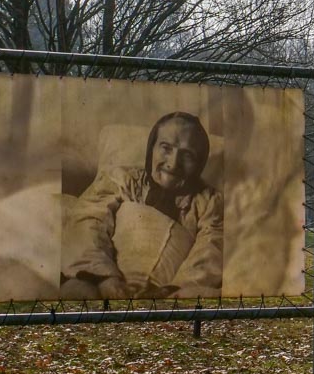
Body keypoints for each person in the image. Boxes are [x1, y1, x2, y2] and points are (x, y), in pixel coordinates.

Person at [61, 111, 223, 299]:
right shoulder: (121, 179)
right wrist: (106, 279)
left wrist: (167, 291)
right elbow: (88, 220)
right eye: (166, 147)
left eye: (187, 155)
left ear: (199, 164)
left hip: (165, 292)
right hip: (103, 277)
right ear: (151, 149)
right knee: (76, 292)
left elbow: (210, 251)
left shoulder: (209, 202)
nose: (173, 163)